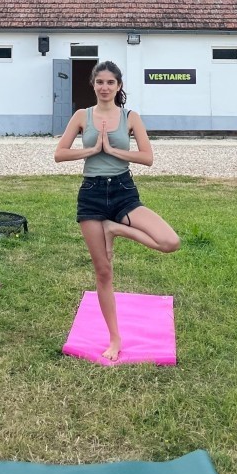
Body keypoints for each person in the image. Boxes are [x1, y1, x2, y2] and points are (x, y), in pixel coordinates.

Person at [54, 60, 179, 361]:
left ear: (119, 86)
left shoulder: (130, 117)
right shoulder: (82, 116)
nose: (105, 87)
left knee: (169, 241)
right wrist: (92, 150)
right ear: (93, 85)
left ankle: (117, 229)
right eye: (100, 82)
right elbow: (59, 153)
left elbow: (147, 157)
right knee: (103, 271)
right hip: (91, 195)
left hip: (124, 192)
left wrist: (113, 151)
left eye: (111, 82)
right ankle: (114, 338)